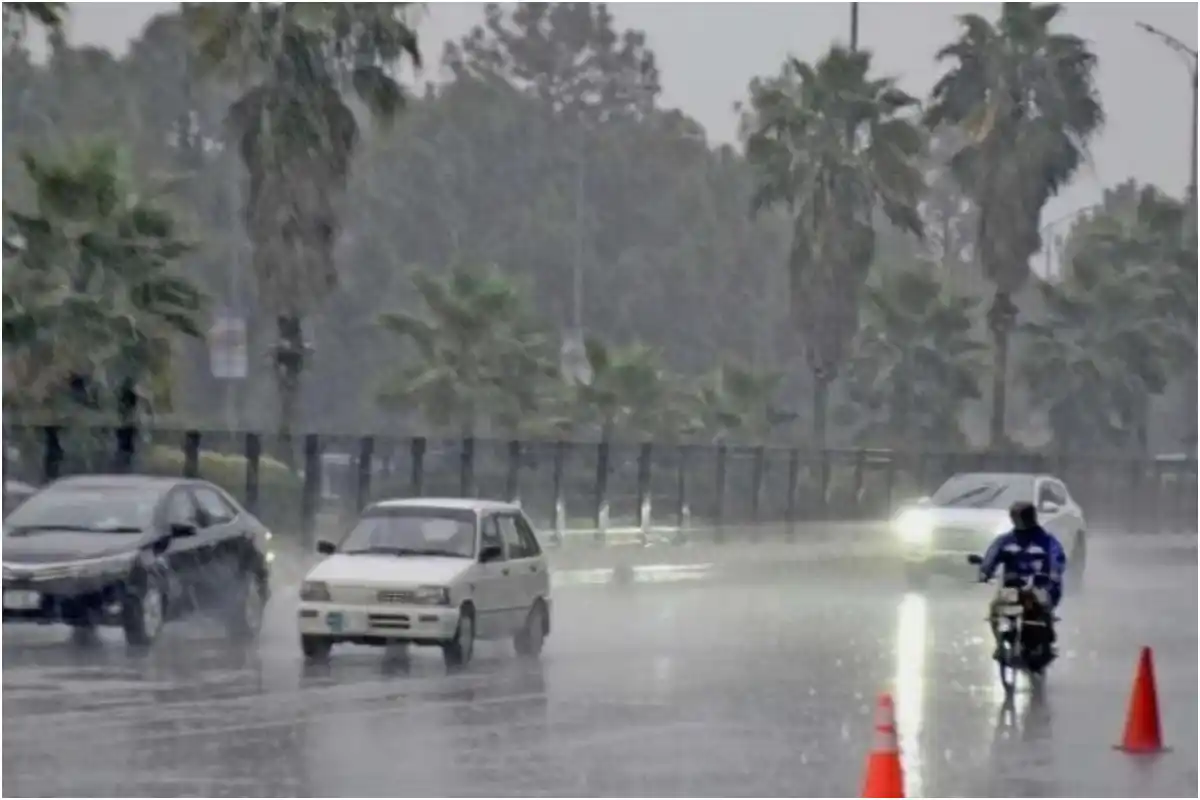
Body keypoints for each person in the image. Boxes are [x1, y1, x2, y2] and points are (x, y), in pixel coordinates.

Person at [977, 501, 1067, 662]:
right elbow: (992, 556)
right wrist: (985, 571)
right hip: (1013, 589)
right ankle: (1000, 644)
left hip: (1041, 587)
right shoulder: (1006, 541)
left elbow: (1057, 558)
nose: (1018, 520)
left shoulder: (1047, 541)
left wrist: (1053, 574)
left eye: (1021, 516)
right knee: (996, 610)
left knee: (1041, 608)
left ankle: (1045, 640)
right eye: (1015, 516)